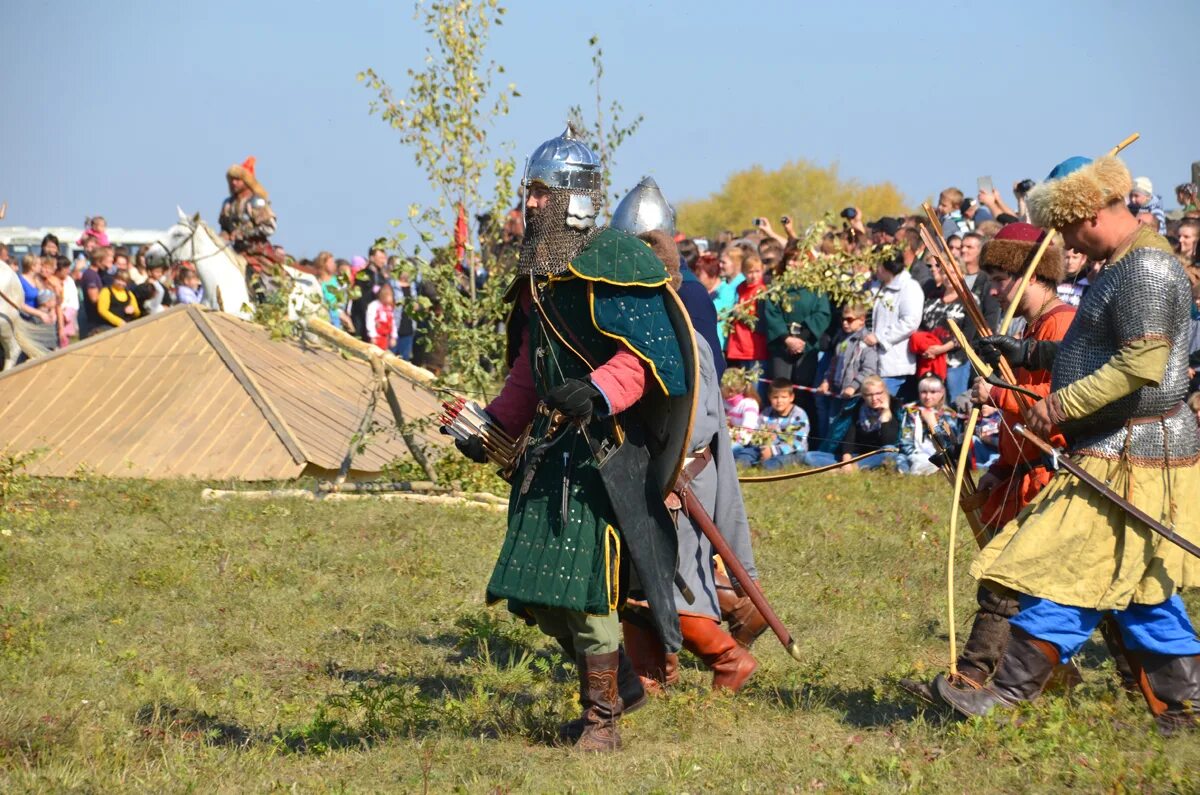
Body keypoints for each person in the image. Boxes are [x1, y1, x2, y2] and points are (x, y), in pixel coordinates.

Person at [448, 126, 693, 752]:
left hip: (604, 454)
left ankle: (601, 722)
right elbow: (532, 366)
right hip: (550, 453)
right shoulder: (541, 273)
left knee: (585, 591)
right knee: (535, 588)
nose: (528, 205)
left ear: (572, 199)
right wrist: (494, 425)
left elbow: (648, 359)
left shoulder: (617, 260)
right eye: (527, 192)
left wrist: (597, 390)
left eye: (539, 194)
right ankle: (625, 686)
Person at [936, 155, 1200, 734]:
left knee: (1059, 565)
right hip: (1123, 442)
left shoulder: (1146, 269)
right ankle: (1185, 706)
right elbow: (1102, 353)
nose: (1065, 243)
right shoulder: (1123, 266)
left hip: (1135, 448)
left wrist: (1057, 405)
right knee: (1138, 585)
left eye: (1067, 229)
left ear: (1090, 215)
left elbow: (1141, 364)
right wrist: (1029, 354)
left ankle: (1004, 695)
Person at [761, 243, 832, 421]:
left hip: (806, 345)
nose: (793, 264)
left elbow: (822, 313)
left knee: (803, 390)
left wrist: (801, 338)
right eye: (790, 260)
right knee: (779, 388)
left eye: (798, 260)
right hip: (782, 345)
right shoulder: (777, 285)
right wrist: (787, 338)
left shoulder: (816, 287)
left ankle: (802, 431)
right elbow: (771, 313)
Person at [807, 375, 901, 470]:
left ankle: (852, 469)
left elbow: (888, 442)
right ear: (863, 395)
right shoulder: (857, 408)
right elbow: (849, 438)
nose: (874, 398)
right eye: (869, 395)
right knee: (810, 456)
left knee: (890, 452)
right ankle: (852, 467)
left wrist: (885, 414)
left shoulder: (894, 409)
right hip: (856, 456)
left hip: (876, 456)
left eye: (878, 393)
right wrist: (846, 461)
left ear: (885, 393)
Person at [865, 256, 924, 399]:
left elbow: (910, 321)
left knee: (885, 409)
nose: (874, 269)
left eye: (877, 265)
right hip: (871, 362)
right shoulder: (875, 285)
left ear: (887, 268)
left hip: (893, 363)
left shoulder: (909, 287)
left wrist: (880, 337)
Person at [218, 156, 281, 275]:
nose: (233, 183)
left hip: (257, 253)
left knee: (263, 281)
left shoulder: (256, 202)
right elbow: (224, 227)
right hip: (234, 251)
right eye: (231, 179)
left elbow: (270, 227)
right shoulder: (228, 204)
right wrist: (224, 236)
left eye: (237, 179)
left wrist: (244, 233)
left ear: (247, 181)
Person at [897, 374, 959, 475]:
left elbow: (950, 445)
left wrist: (933, 424)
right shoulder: (911, 411)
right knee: (900, 460)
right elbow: (906, 441)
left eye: (933, 392)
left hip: (939, 454)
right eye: (924, 392)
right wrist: (914, 455)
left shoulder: (949, 414)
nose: (928, 397)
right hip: (914, 454)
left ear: (942, 393)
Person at [754, 378, 811, 470]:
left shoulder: (799, 415)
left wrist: (773, 451)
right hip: (767, 448)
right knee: (746, 454)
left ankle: (763, 464)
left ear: (791, 397)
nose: (779, 401)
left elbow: (797, 443)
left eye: (784, 397)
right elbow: (756, 432)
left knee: (771, 464)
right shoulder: (766, 413)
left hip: (793, 452)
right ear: (769, 397)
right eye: (775, 397)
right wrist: (762, 440)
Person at [721, 368, 761, 467]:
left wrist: (728, 438)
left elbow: (747, 433)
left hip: (745, 442)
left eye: (721, 386)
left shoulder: (749, 404)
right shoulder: (723, 402)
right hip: (728, 438)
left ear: (731, 390)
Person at [365, 282, 397, 351]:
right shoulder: (374, 305)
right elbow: (370, 321)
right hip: (376, 337)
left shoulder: (389, 307)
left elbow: (393, 322)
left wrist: (393, 336)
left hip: (385, 338)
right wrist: (372, 336)